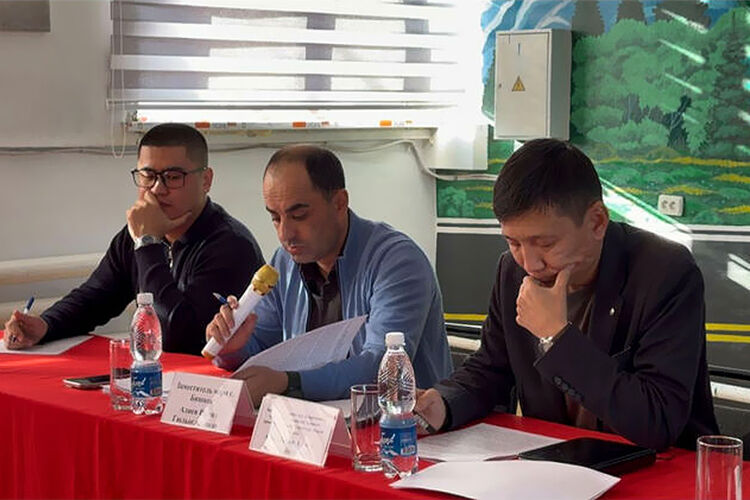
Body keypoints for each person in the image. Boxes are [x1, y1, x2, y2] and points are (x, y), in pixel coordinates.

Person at [415, 138, 718, 450]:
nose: (530, 263)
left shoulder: (664, 272)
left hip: (659, 466)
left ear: (597, 222)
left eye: (546, 244)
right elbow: (491, 370)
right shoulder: (512, 270)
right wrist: (442, 404)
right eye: (513, 242)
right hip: (558, 461)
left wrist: (556, 337)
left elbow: (658, 421)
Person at [205, 144, 453, 403]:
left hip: (405, 422)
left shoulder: (397, 261)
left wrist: (290, 383)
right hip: (309, 420)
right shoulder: (285, 262)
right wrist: (232, 347)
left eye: (299, 216)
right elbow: (261, 350)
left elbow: (382, 368)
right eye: (275, 218)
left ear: (339, 203)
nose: (285, 234)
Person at [3, 123, 264, 356]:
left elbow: (177, 337)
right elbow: (95, 297)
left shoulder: (230, 245)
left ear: (205, 180)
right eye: (148, 176)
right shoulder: (139, 233)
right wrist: (46, 324)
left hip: (215, 386)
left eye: (173, 177)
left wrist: (148, 243)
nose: (158, 189)